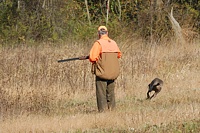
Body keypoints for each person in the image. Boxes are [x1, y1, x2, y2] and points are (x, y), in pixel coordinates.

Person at [89, 26, 122, 112]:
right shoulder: (114, 43)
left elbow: (92, 58)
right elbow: (119, 55)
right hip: (113, 73)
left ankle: (103, 112)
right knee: (111, 93)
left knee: (101, 93)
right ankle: (112, 110)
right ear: (107, 33)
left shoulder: (98, 43)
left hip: (102, 73)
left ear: (98, 34)